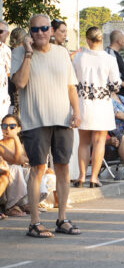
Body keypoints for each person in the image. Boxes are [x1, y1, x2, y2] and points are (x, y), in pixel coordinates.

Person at [11, 13, 82, 238]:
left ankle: (62, 219)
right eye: (35, 30)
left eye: (44, 28)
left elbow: (71, 86)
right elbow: (20, 82)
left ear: (51, 31)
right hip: (35, 121)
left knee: (62, 168)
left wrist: (77, 112)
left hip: (62, 119)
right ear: (29, 33)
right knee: (38, 169)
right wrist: (29, 54)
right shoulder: (19, 53)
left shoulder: (61, 53)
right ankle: (34, 223)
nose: (40, 33)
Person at [72, 27, 121, 188]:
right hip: (102, 104)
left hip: (83, 103)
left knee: (84, 142)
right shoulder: (108, 59)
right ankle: (93, 177)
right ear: (101, 40)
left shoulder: (78, 57)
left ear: (87, 39)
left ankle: (81, 176)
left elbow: (72, 81)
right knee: (99, 141)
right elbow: (115, 84)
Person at [0, 114, 29, 216]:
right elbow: (19, 160)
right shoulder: (1, 145)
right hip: (5, 185)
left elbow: (26, 160)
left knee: (33, 170)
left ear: (18, 128)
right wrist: (16, 138)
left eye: (12, 126)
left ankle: (25, 204)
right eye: (4, 126)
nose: (7, 129)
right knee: (16, 168)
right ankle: (11, 206)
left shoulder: (22, 145)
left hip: (14, 182)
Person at [105, 30, 124, 101]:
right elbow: (111, 77)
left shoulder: (116, 53)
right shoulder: (110, 54)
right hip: (118, 95)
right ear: (119, 41)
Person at [0, 21, 11, 116]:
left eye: (0, 31)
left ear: (8, 34)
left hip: (2, 100)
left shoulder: (7, 50)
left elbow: (9, 73)